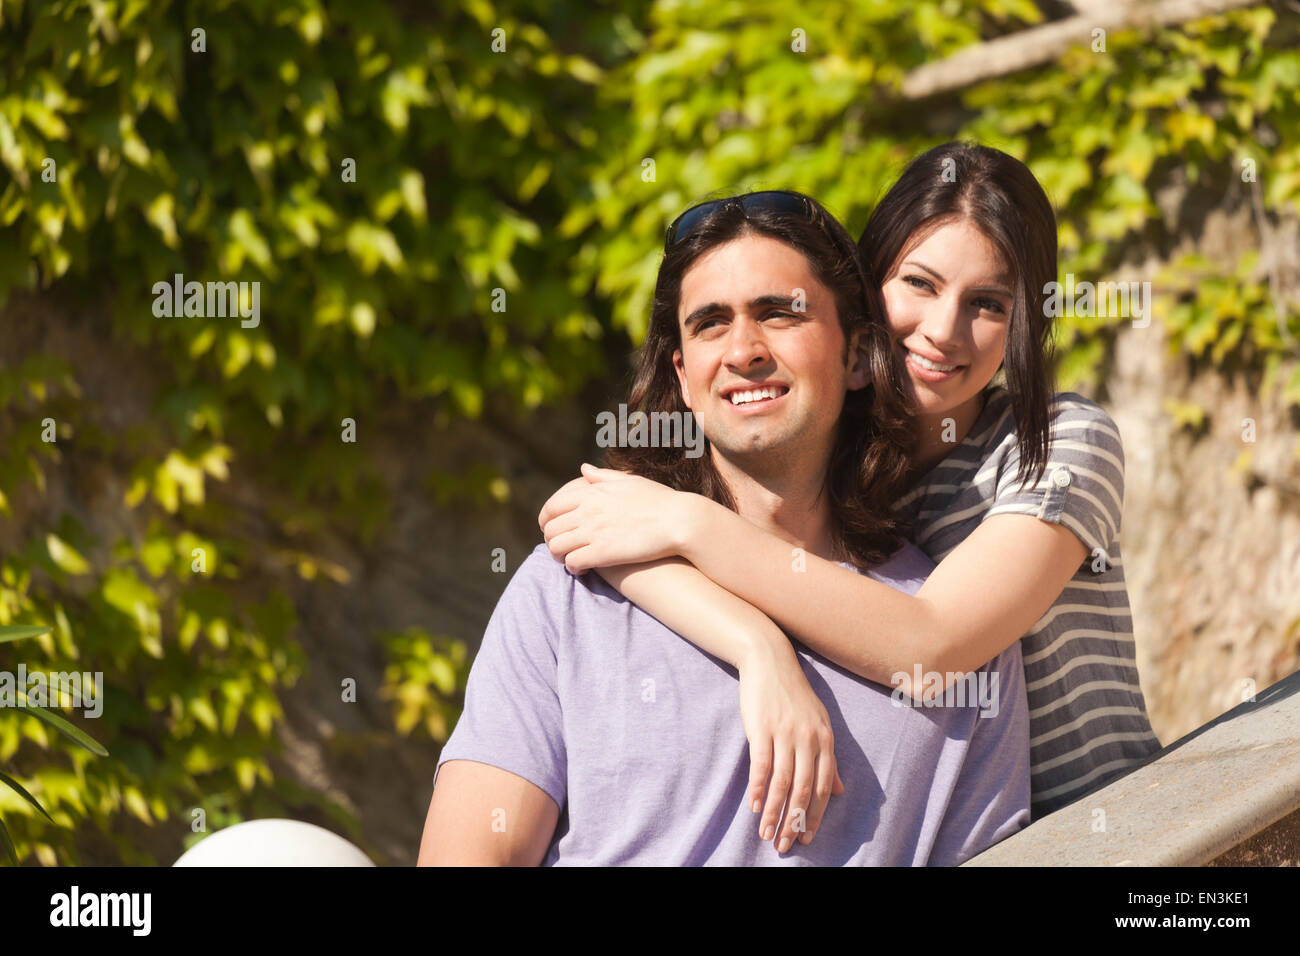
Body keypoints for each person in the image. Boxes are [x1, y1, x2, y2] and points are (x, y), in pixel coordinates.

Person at [540, 143, 1161, 822]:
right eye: (919, 285)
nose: (943, 331)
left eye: (986, 303)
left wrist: (689, 524)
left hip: (1114, 831)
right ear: (868, 294)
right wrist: (755, 646)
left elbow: (932, 646)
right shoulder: (834, 451)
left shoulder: (1060, 442)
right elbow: (602, 530)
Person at [419, 190, 1030, 866]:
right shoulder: (571, 593)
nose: (743, 350)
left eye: (779, 313)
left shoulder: (958, 636)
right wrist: (759, 647)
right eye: (710, 324)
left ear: (857, 355)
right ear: (683, 377)